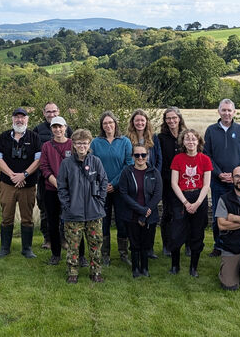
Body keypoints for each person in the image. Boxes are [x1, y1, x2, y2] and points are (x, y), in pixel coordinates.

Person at [204, 98, 240, 257]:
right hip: (217, 181)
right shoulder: (211, 130)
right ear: (219, 111)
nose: (226, 113)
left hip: (237, 183)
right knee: (219, 214)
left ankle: (237, 244)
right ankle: (218, 246)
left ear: (234, 112)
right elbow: (207, 156)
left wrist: (236, 175)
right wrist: (219, 174)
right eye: (223, 110)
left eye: (229, 110)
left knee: (238, 213)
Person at [58, 129, 108, 283]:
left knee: (95, 243)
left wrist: (100, 201)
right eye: (79, 143)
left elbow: (104, 182)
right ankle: (72, 272)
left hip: (94, 212)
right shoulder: (67, 164)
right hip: (73, 213)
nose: (82, 146)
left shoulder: (96, 162)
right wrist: (68, 206)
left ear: (89, 144)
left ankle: (96, 272)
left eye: (85, 143)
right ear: (73, 144)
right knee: (73, 244)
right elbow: (61, 187)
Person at [0, 108, 42, 259]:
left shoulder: (34, 137)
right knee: (7, 216)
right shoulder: (4, 136)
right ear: (12, 119)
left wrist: (24, 175)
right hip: (8, 183)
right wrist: (13, 175)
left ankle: (27, 249)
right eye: (17, 117)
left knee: (27, 217)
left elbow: (39, 160)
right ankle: (4, 248)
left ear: (27, 120)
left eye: (22, 117)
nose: (19, 120)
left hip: (28, 185)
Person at [90, 111, 133, 266]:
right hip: (101, 189)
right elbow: (92, 164)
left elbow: (128, 164)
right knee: (104, 221)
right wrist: (104, 184)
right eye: (105, 123)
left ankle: (123, 253)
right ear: (102, 126)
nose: (108, 126)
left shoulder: (125, 141)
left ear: (116, 124)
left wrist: (113, 184)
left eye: (111, 122)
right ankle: (105, 254)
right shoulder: (95, 142)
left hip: (120, 188)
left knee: (122, 221)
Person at [169, 129, 212, 277]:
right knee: (175, 234)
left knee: (197, 234)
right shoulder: (178, 159)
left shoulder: (205, 159)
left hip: (199, 197)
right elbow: (174, 183)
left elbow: (206, 184)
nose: (191, 142)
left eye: (194, 139)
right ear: (183, 142)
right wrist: (186, 203)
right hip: (181, 198)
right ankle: (175, 265)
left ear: (199, 142)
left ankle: (194, 267)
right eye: (187, 139)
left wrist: (197, 203)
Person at [33, 102, 73, 250]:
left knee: (65, 210)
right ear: (44, 113)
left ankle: (64, 239)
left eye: (54, 111)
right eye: (48, 112)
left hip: (67, 181)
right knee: (46, 210)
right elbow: (37, 157)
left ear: (59, 111)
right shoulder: (37, 130)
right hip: (45, 179)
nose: (51, 114)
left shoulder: (68, 129)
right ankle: (48, 239)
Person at [119, 144, 162, 278]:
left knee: (146, 243)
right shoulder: (127, 171)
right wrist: (141, 210)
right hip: (131, 214)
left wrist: (146, 212)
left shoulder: (154, 172)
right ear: (133, 156)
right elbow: (123, 193)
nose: (140, 158)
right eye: (137, 155)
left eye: (143, 155)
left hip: (150, 215)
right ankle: (135, 269)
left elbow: (157, 195)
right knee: (134, 243)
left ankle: (145, 268)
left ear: (147, 156)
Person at [127, 109, 162, 259]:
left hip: (151, 177)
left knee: (150, 211)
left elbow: (159, 158)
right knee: (135, 211)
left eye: (142, 120)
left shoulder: (153, 138)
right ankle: (134, 247)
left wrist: (156, 175)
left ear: (146, 122)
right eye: (137, 120)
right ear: (133, 123)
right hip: (134, 177)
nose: (140, 123)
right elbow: (127, 158)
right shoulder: (127, 139)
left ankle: (149, 248)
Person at [39, 116, 72, 265]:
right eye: (55, 127)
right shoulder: (46, 146)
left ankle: (78, 254)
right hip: (51, 189)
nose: (58, 130)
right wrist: (58, 184)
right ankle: (56, 254)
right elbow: (44, 168)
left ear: (65, 127)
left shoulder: (73, 144)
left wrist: (66, 186)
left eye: (60, 127)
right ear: (51, 129)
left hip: (71, 190)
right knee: (53, 222)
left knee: (73, 222)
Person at [158, 107, 187, 257]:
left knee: (187, 213)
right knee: (168, 214)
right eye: (168, 118)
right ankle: (167, 245)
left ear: (179, 118)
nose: (171, 121)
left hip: (186, 182)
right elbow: (160, 160)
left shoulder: (186, 136)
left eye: (174, 118)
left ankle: (188, 244)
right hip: (168, 182)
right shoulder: (161, 138)